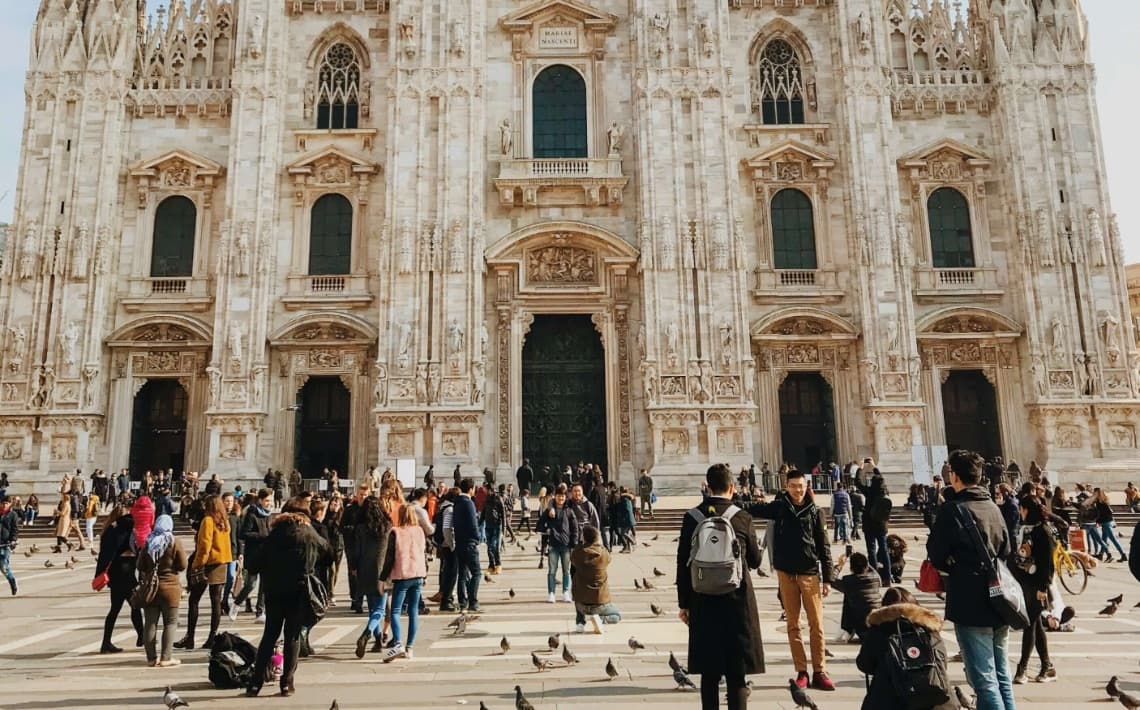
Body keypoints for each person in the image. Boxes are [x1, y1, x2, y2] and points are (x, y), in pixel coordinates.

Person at [926, 449, 1017, 710]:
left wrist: (956, 567)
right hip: (1000, 602)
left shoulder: (953, 510)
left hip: (970, 602)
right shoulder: (993, 507)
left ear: (954, 476)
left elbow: (936, 554)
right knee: (1002, 677)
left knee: (984, 680)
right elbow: (1007, 550)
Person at [677, 464, 763, 710]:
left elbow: (683, 563)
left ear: (707, 486)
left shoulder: (692, 517)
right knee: (737, 674)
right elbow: (755, 562)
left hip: (703, 600)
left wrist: (684, 604)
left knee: (709, 673)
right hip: (737, 602)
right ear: (733, 488)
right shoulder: (742, 517)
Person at [745, 468, 835, 691]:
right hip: (786, 574)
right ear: (786, 486)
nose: (798, 490)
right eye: (794, 486)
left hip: (809, 573)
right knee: (793, 625)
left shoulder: (815, 511)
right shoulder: (780, 507)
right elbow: (754, 509)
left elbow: (824, 545)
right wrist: (728, 501)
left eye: (801, 486)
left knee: (817, 624)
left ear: (807, 486)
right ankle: (802, 671)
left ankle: (820, 670)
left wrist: (828, 578)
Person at [246, 508, 331, 697]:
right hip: (299, 592)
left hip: (274, 592)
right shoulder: (308, 534)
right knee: (292, 636)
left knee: (270, 635)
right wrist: (310, 563)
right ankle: (287, 682)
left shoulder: (273, 537)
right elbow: (328, 551)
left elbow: (252, 565)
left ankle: (255, 682)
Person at [855, 587, 955, 710]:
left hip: (888, 700)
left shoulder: (879, 629)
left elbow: (865, 664)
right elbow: (942, 662)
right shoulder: (929, 629)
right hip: (934, 698)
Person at [176, 494, 232, 650]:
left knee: (194, 600)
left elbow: (204, 546)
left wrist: (196, 565)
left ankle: (190, 637)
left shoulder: (208, 521)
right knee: (216, 602)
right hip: (221, 563)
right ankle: (212, 638)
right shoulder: (224, 521)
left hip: (207, 563)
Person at [1010, 496, 1056, 684]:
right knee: (1034, 625)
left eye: (1021, 509)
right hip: (1026, 582)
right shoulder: (1027, 529)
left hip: (1037, 584)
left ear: (1027, 509)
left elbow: (1047, 563)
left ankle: (1022, 668)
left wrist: (1043, 587)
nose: (1020, 512)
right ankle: (1047, 666)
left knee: (1030, 625)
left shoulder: (1043, 532)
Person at [137, 514, 187, 667]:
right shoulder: (174, 542)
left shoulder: (149, 542)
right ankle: (166, 658)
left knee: (150, 623)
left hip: (151, 589)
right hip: (170, 588)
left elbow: (140, 566)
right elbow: (183, 565)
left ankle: (151, 658)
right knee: (170, 623)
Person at [380, 503, 427, 662]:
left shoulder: (396, 532)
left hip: (402, 575)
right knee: (413, 611)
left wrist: (382, 578)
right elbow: (423, 552)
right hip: (418, 573)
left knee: (395, 611)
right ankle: (410, 647)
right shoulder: (420, 531)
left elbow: (389, 558)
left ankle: (398, 643)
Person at [95, 504, 143, 652]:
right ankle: (142, 636)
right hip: (125, 572)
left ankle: (106, 643)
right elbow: (129, 546)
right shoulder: (122, 530)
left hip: (116, 574)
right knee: (135, 605)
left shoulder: (109, 530)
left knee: (115, 609)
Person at [352, 494, 392, 658]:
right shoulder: (387, 526)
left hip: (365, 570)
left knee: (372, 608)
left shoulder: (360, 528)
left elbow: (356, 551)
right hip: (382, 572)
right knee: (380, 610)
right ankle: (366, 634)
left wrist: (354, 567)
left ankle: (377, 641)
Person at [570, 525, 621, 634]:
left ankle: (580, 623)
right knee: (617, 615)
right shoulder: (603, 553)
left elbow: (573, 560)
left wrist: (580, 543)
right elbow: (609, 559)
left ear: (583, 538)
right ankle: (600, 619)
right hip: (600, 603)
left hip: (581, 605)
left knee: (579, 588)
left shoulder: (577, 553)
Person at [231, 489, 273, 621]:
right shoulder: (251, 513)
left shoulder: (269, 515)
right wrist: (263, 535)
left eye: (270, 501)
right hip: (254, 554)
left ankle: (260, 611)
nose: (269, 503)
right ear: (260, 500)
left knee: (265, 585)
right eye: (266, 500)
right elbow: (244, 534)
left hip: (266, 553)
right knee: (251, 584)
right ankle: (236, 603)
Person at [537, 483, 579, 603]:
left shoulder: (569, 511)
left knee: (566, 570)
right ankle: (551, 593)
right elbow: (540, 523)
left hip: (566, 545)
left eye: (563, 496)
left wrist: (574, 542)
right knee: (552, 571)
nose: (561, 498)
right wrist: (547, 530)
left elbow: (575, 527)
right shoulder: (550, 510)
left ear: (566, 498)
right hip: (553, 545)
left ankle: (566, 592)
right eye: (559, 496)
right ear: (555, 496)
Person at [831, 552, 880, 642]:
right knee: (851, 596)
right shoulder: (875, 577)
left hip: (862, 628)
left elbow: (831, 579)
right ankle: (848, 629)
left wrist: (840, 565)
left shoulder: (849, 581)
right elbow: (871, 569)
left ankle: (847, 629)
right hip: (877, 623)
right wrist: (862, 559)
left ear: (851, 568)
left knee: (849, 598)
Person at [450, 478, 482, 612]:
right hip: (469, 542)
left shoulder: (456, 503)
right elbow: (473, 524)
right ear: (470, 489)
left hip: (459, 542)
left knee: (462, 574)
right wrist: (478, 537)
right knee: (476, 573)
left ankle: (463, 601)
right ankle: (473, 601)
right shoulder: (468, 503)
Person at [859, 472, 892, 584]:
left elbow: (857, 482)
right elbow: (881, 479)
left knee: (871, 551)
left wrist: (861, 468)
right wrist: (875, 468)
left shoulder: (870, 492)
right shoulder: (885, 491)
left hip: (869, 525)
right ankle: (887, 577)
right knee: (884, 550)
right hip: (882, 525)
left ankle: (875, 577)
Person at [1094, 488, 1128, 562]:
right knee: (1104, 540)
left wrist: (1098, 521)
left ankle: (1123, 554)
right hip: (1105, 522)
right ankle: (1101, 554)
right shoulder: (1102, 502)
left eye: (1095, 493)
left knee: (1113, 539)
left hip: (1106, 523)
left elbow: (1105, 513)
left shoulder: (1101, 503)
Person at [480, 483, 506, 574]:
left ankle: (498, 564)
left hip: (496, 525)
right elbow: (483, 512)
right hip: (488, 525)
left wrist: (504, 528)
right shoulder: (486, 499)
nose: (483, 491)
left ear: (489, 489)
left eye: (485, 489)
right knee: (489, 547)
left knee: (494, 546)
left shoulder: (498, 498)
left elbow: (503, 514)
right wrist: (479, 523)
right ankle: (491, 565)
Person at [0, 492, 18, 595]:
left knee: (4, 567)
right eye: (2, 503)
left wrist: (13, 540)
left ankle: (12, 582)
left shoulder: (12, 514)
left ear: (10, 504)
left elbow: (15, 529)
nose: (4, 505)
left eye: (6, 503)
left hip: (5, 544)